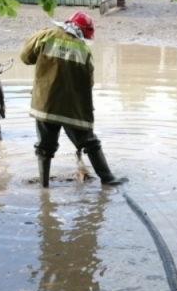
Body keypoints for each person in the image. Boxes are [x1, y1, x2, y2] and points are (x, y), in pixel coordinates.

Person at [20, 12, 126, 188]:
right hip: (72, 111)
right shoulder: (84, 50)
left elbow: (25, 57)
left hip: (45, 106)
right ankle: (108, 179)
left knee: (44, 148)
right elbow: (88, 83)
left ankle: (44, 187)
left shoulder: (45, 36)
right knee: (90, 143)